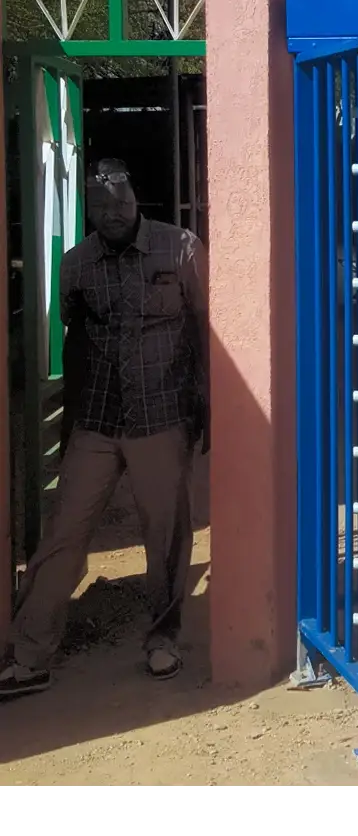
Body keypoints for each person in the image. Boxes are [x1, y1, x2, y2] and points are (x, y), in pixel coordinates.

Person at [0, 159, 209, 698]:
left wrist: (205, 406)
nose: (112, 212)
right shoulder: (76, 264)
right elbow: (75, 338)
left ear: (136, 198)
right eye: (100, 205)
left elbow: (205, 329)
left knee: (165, 535)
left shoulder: (180, 249)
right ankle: (30, 653)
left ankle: (162, 638)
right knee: (64, 532)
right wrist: (70, 419)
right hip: (96, 420)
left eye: (120, 201)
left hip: (162, 417)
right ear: (88, 210)